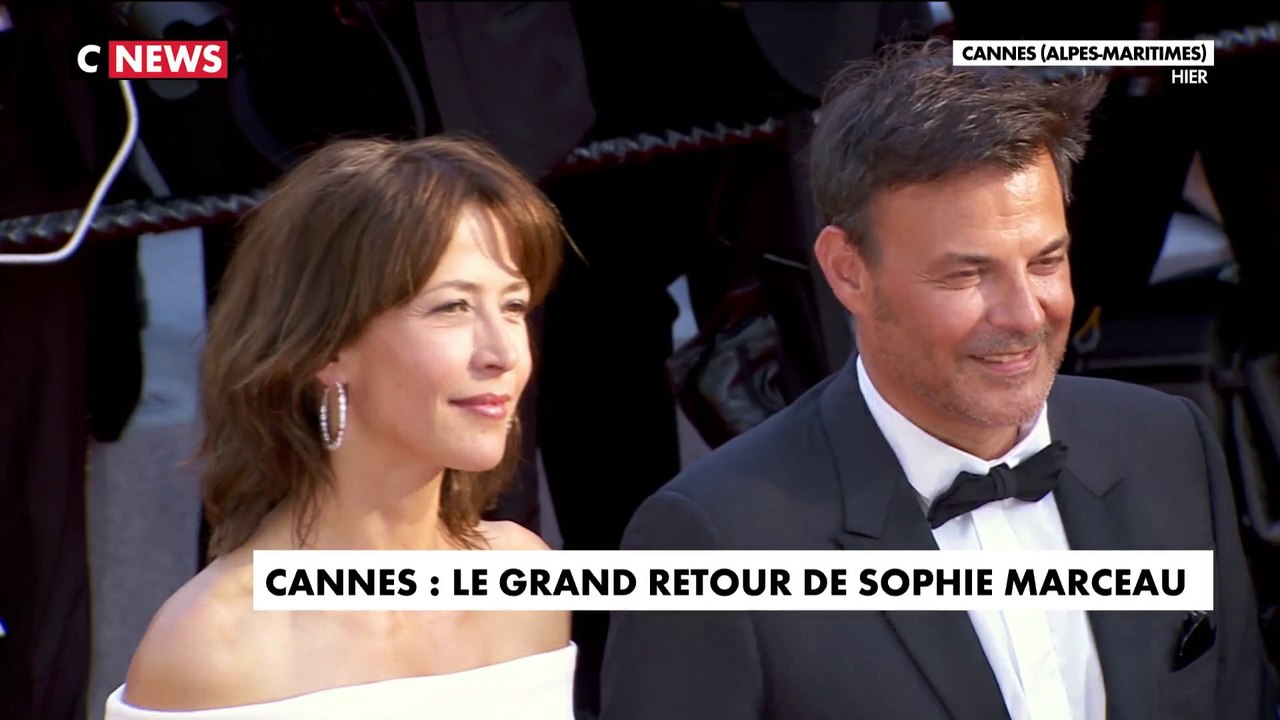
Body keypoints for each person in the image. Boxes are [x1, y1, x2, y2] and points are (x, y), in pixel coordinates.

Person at [599, 39, 1276, 720]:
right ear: (847, 271)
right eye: (967, 274)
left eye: (1046, 262)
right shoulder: (714, 542)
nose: (1023, 316)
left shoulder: (1169, 446)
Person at [103, 134, 574, 719]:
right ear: (328, 347)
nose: (503, 352)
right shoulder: (214, 649)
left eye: (513, 306)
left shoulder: (525, 580)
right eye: (452, 308)